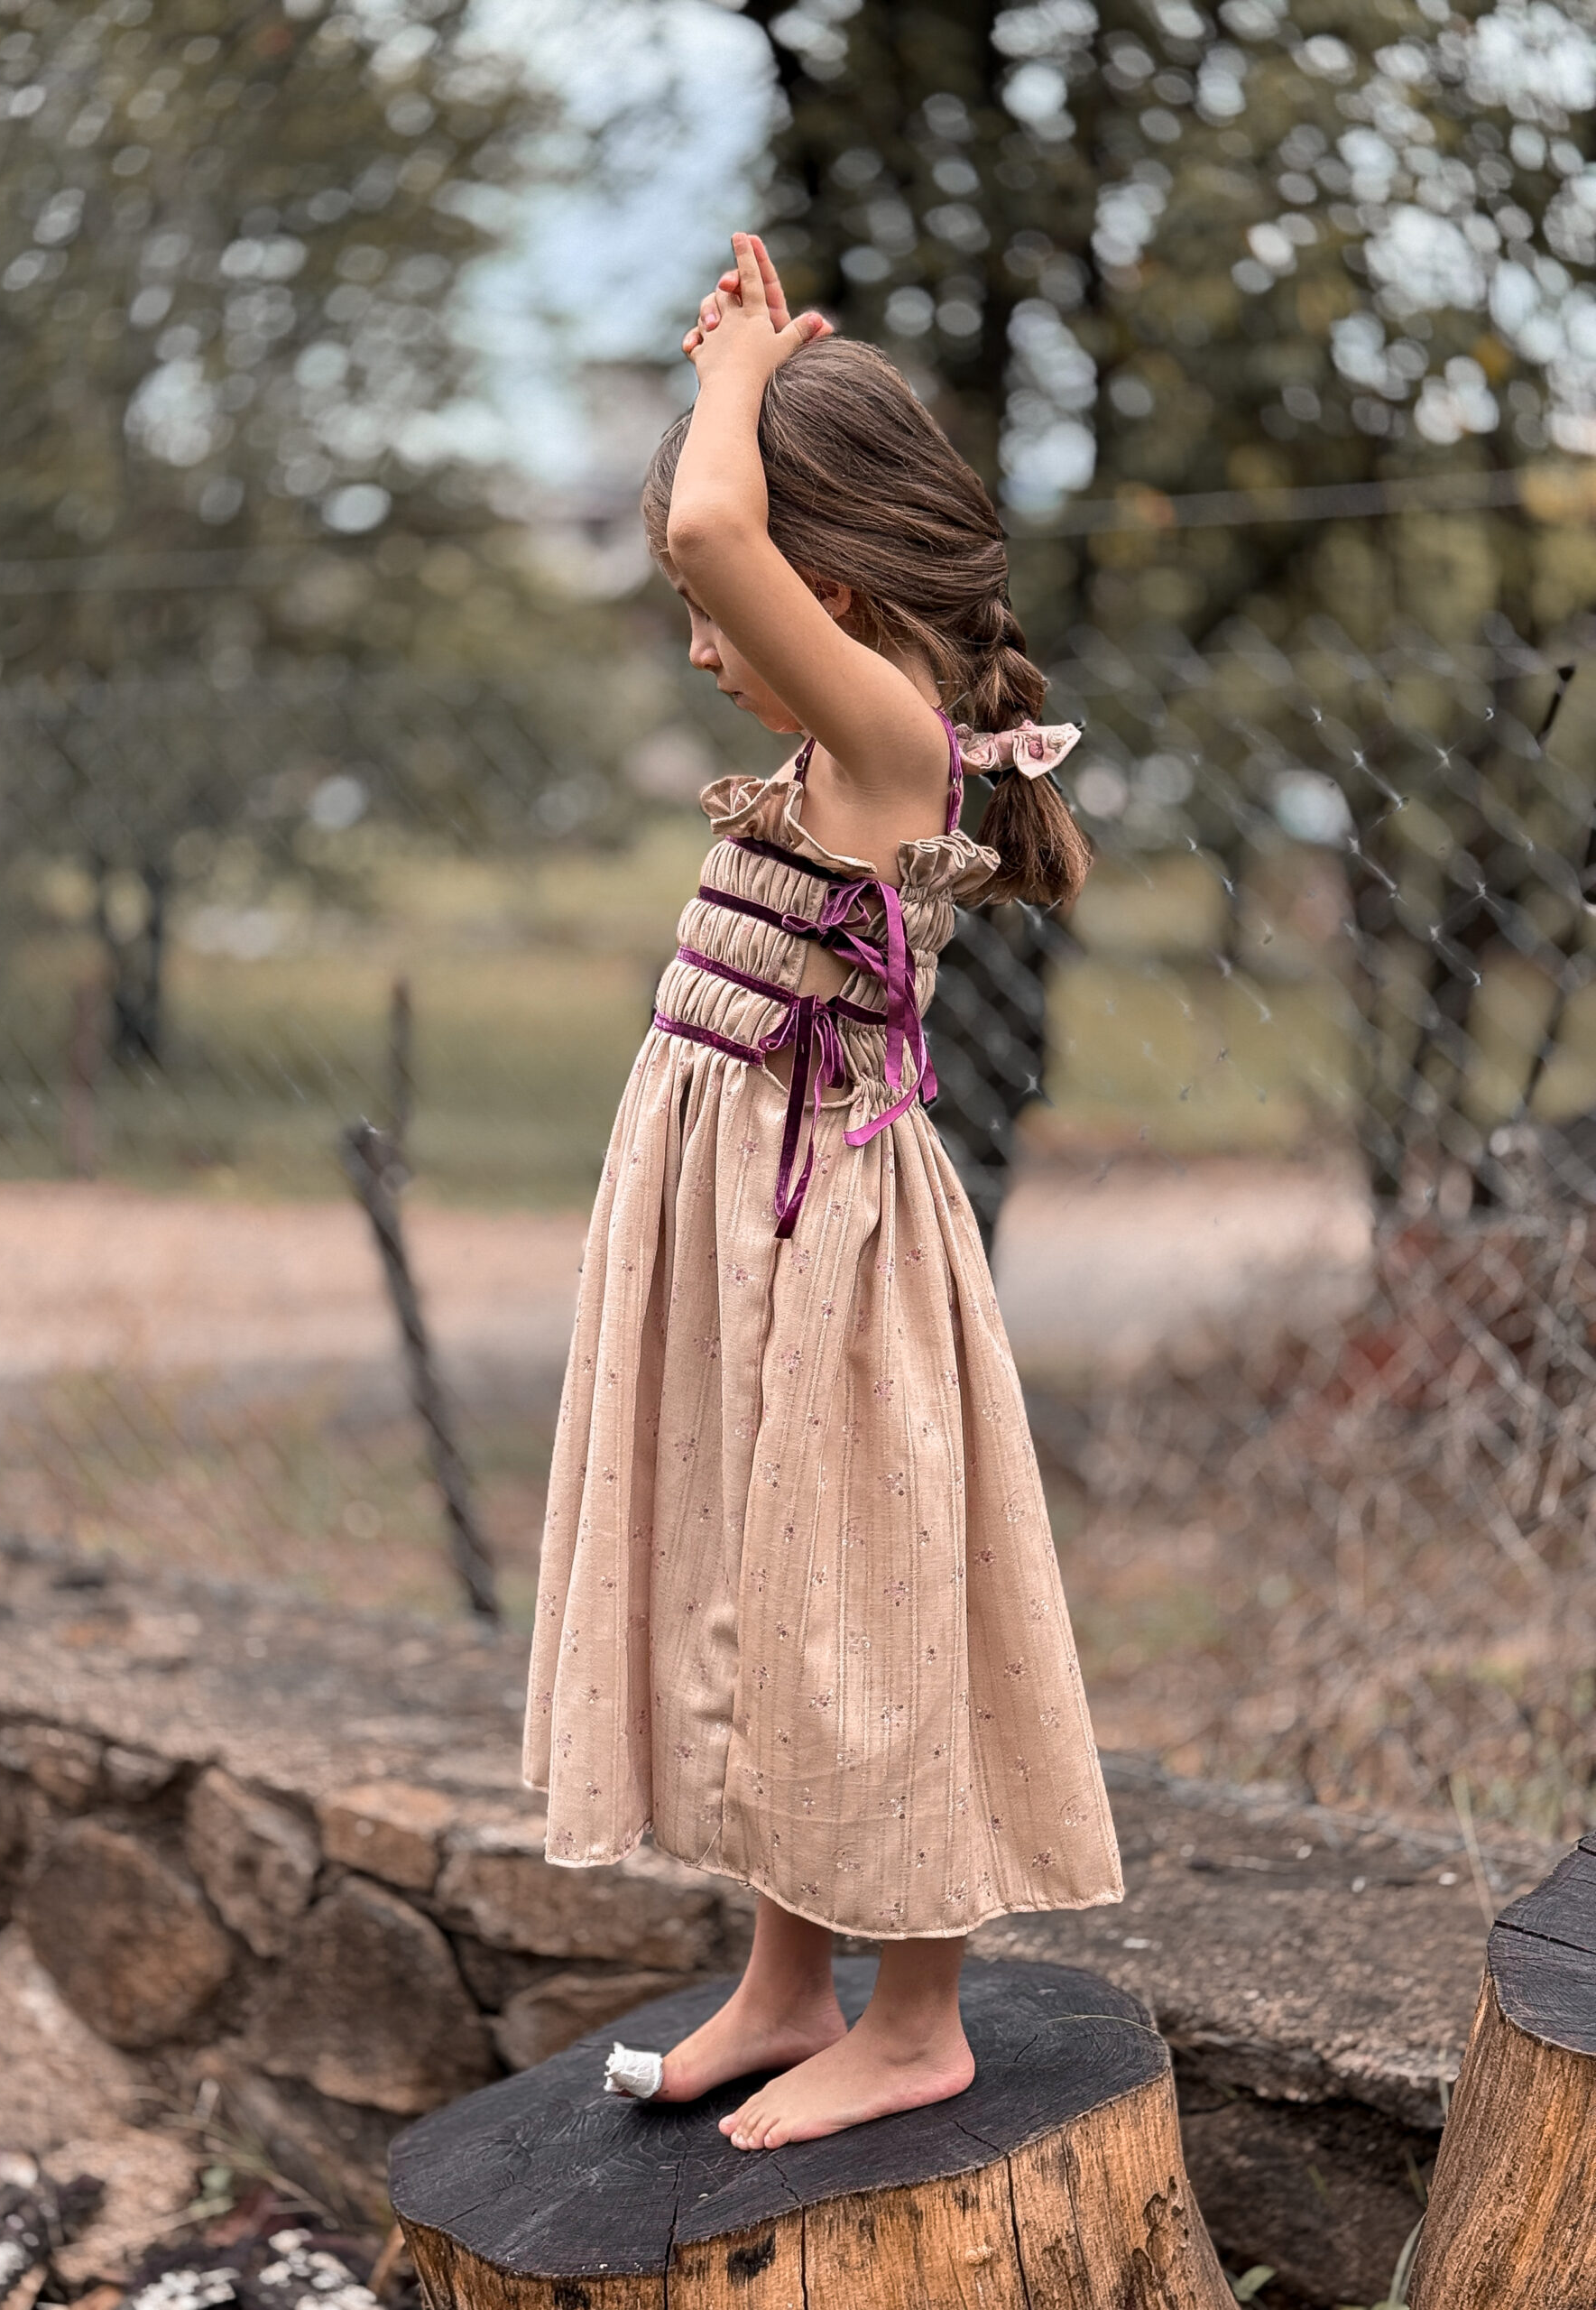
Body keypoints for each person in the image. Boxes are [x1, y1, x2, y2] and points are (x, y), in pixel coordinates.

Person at [522, 233, 1121, 2153]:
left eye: (734, 604)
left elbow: (709, 531)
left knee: (867, 1598)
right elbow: (713, 542)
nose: (699, 631)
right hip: (753, 1234)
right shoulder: (840, 734)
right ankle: (789, 1981)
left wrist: (738, 372)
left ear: (830, 584)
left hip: (834, 1242)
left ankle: (916, 2018)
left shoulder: (883, 736)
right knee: (767, 1587)